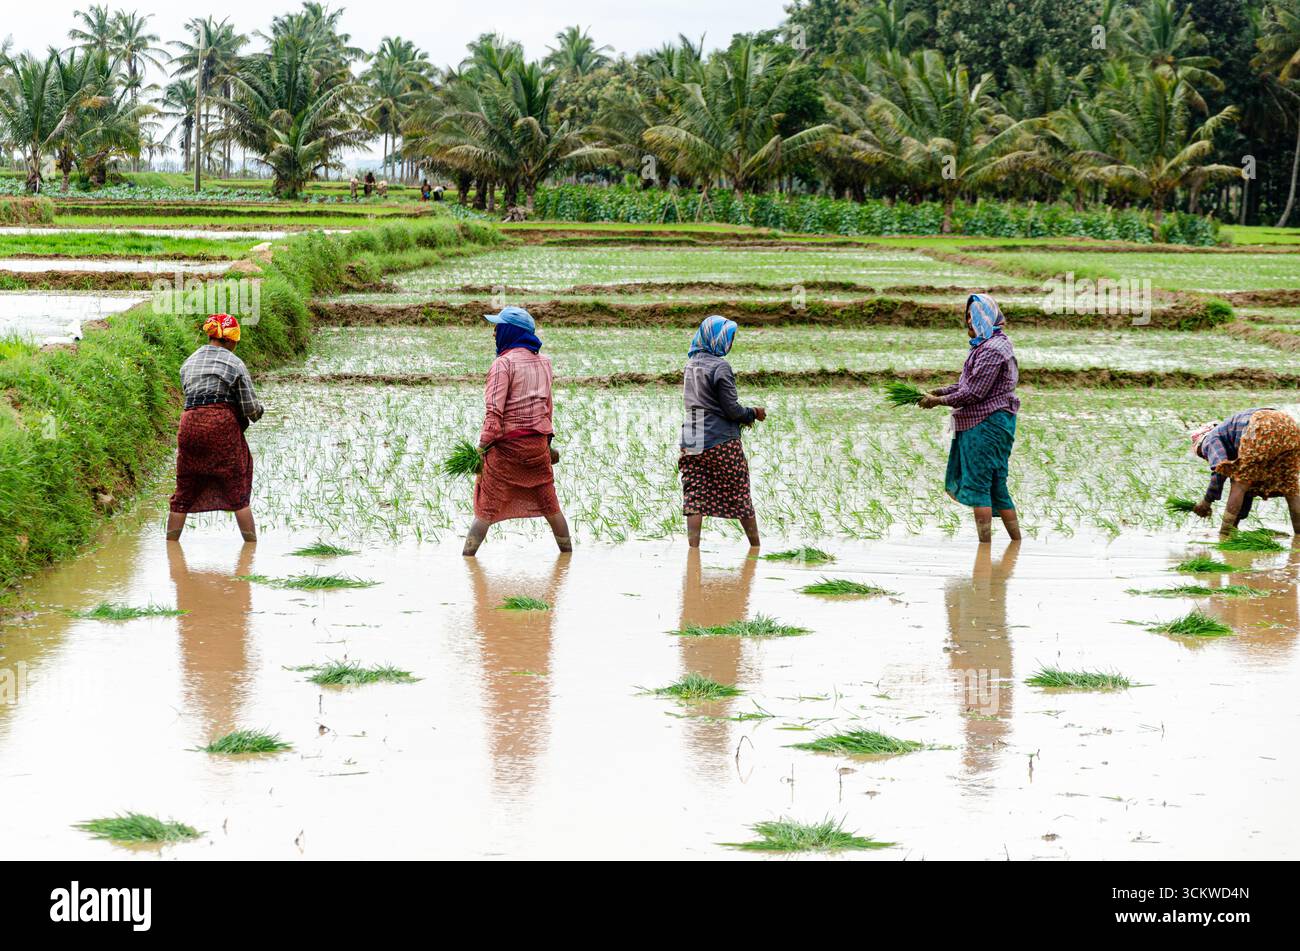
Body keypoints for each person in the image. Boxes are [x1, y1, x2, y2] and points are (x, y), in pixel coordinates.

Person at [462, 306, 571, 556]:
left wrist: (480, 450)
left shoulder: (503, 364)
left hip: (507, 449)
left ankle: (467, 561)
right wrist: (548, 443)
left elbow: (494, 413)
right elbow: (547, 407)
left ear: (509, 332)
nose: (494, 333)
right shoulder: (545, 363)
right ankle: (567, 558)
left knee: (485, 508)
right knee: (550, 505)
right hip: (537, 447)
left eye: (497, 328)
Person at [918, 293, 1021, 543]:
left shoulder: (991, 350)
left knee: (979, 487)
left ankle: (984, 549)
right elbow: (967, 384)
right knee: (997, 486)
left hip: (985, 425)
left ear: (984, 319)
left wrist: (937, 401)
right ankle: (1016, 546)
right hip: (995, 422)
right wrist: (939, 392)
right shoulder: (990, 344)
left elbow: (973, 393)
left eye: (972, 318)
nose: (968, 323)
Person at [167, 314, 263, 543]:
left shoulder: (189, 362)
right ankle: (251, 550)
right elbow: (250, 409)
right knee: (237, 490)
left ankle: (171, 547)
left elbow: (190, 396)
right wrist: (259, 411)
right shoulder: (234, 363)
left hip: (189, 425)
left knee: (184, 489)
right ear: (230, 341)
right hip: (221, 426)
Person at [678, 315, 765, 548]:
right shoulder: (720, 366)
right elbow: (732, 410)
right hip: (719, 438)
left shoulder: (690, 363)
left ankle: (693, 551)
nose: (731, 342)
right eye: (730, 337)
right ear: (717, 339)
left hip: (691, 436)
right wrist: (753, 413)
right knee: (739, 491)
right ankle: (755, 547)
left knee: (694, 495)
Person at [1190, 409, 1300, 536]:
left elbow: (1219, 470)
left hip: (1262, 424)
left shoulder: (1209, 439)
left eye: (1201, 454)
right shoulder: (1231, 436)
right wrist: (1236, 522)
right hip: (1290, 425)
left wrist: (1206, 502)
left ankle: (1225, 535)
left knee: (1240, 483)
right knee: (1290, 488)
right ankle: (1298, 540)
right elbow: (1248, 490)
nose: (1205, 456)